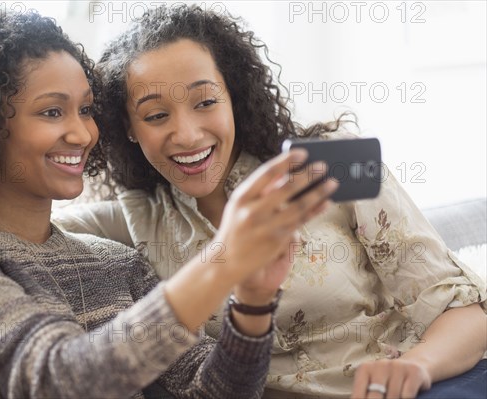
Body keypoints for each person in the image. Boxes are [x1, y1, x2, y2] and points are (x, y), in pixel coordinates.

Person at [0, 8, 338, 398]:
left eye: (86, 110)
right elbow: (59, 380)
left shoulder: (115, 263)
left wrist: (253, 301)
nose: (82, 135)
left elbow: (213, 391)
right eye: (51, 112)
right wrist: (223, 260)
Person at [51, 4, 487, 399]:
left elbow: (464, 309)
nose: (186, 134)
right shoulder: (138, 217)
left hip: (427, 383)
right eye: (156, 115)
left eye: (206, 102)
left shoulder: (329, 166)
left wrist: (415, 368)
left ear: (233, 100)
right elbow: (17, 226)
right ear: (128, 128)